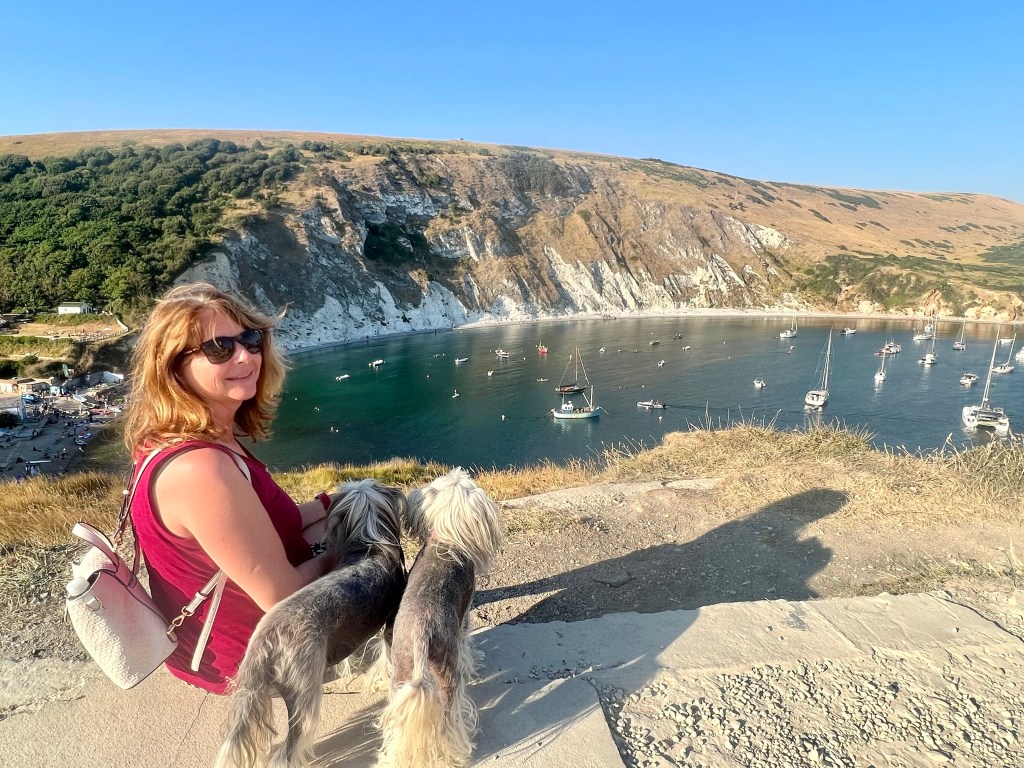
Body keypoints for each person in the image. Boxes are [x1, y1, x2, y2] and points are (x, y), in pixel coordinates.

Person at [123, 283, 335, 693]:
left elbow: (263, 528)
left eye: (250, 340)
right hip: (251, 663)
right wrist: (354, 552)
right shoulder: (201, 470)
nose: (245, 356)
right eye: (219, 348)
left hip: (228, 645)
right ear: (173, 368)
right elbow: (284, 598)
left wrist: (333, 503)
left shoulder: (184, 440)